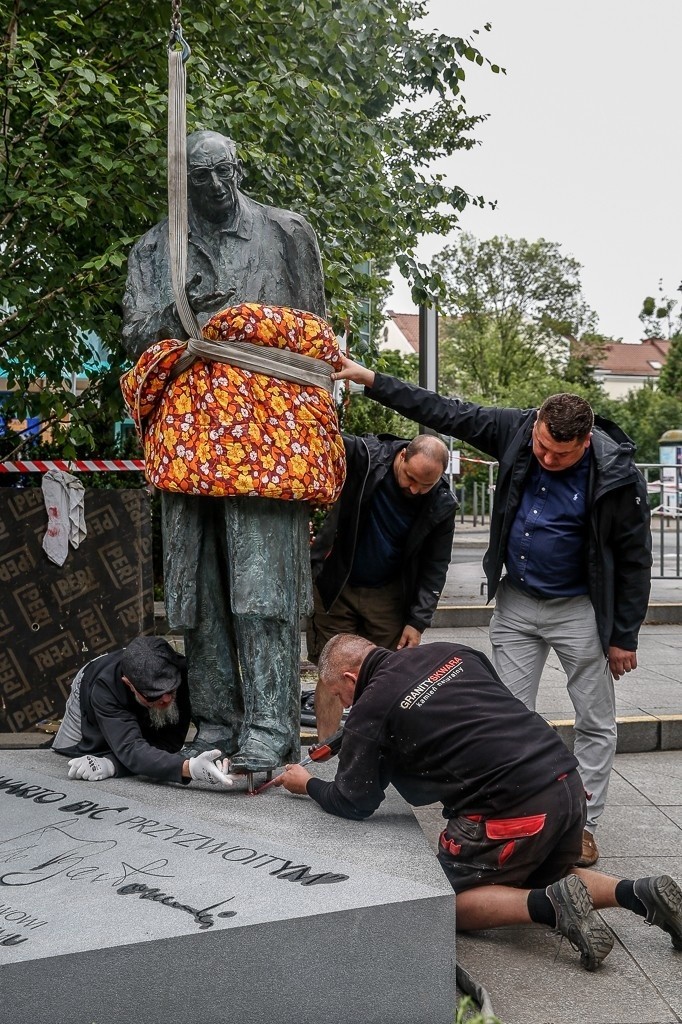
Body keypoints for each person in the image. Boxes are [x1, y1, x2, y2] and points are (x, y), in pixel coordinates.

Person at [332, 359, 652, 867]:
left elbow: (635, 559)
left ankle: (583, 825)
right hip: (518, 602)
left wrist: (624, 636)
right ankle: (499, 807)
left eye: (559, 453)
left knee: (596, 719)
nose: (545, 457)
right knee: (501, 715)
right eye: (541, 446)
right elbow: (445, 411)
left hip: (579, 609)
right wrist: (369, 379)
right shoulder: (518, 430)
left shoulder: (618, 474)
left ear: (585, 442)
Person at [275, 635, 681, 970]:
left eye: (339, 695)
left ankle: (549, 907)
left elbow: (353, 800)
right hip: (565, 779)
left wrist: (306, 783)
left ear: (350, 677)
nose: (345, 705)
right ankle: (637, 893)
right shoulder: (449, 650)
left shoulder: (370, 708)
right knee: (545, 869)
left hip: (514, 806)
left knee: (441, 897)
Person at [121, 130, 330, 772]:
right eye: (198, 178)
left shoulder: (287, 233)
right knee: (197, 593)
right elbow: (133, 332)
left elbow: (316, 337)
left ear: (238, 167)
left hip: (266, 439)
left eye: (222, 173)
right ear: (181, 182)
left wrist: (243, 328)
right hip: (188, 438)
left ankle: (270, 723)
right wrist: (182, 318)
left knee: (263, 588)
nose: (213, 187)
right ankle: (216, 719)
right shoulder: (156, 248)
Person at [306, 432, 457, 737]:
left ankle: (371, 748)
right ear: (402, 456)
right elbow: (322, 434)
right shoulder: (368, 457)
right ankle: (324, 744)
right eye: (410, 478)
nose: (414, 490)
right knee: (330, 670)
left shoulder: (442, 503)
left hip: (390, 594)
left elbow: (435, 565)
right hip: (338, 582)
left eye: (425, 485)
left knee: (384, 674)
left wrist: (418, 620)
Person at [52, 636, 233, 788]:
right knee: (70, 756)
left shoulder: (181, 672)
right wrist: (190, 769)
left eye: (170, 690)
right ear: (129, 684)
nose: (167, 699)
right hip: (87, 687)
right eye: (153, 696)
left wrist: (113, 764)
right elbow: (130, 747)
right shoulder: (105, 688)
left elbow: (169, 744)